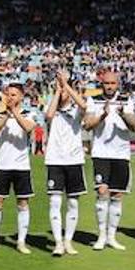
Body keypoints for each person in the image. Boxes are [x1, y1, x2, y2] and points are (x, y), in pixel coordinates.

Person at [84, 70, 135, 251]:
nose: (109, 87)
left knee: (117, 195)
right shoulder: (93, 100)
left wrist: (124, 114)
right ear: (101, 84)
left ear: (118, 84)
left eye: (112, 83)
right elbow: (87, 124)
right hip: (101, 153)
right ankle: (101, 236)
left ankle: (111, 236)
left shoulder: (127, 100)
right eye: (106, 83)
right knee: (102, 192)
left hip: (121, 154)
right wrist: (102, 115)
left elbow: (134, 127)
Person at [0, 82, 37, 254]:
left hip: (22, 166)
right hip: (2, 165)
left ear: (21, 97)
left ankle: (21, 242)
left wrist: (15, 112)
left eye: (14, 94)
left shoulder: (28, 113)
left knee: (23, 203)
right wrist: (6, 115)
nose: (10, 97)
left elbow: (29, 127)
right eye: (8, 94)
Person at [43, 70, 88, 257]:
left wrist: (67, 85)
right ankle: (58, 243)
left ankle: (68, 240)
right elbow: (49, 116)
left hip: (74, 160)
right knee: (54, 201)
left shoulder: (76, 108)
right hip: (54, 159)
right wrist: (57, 90)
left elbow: (84, 106)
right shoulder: (52, 104)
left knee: (73, 203)